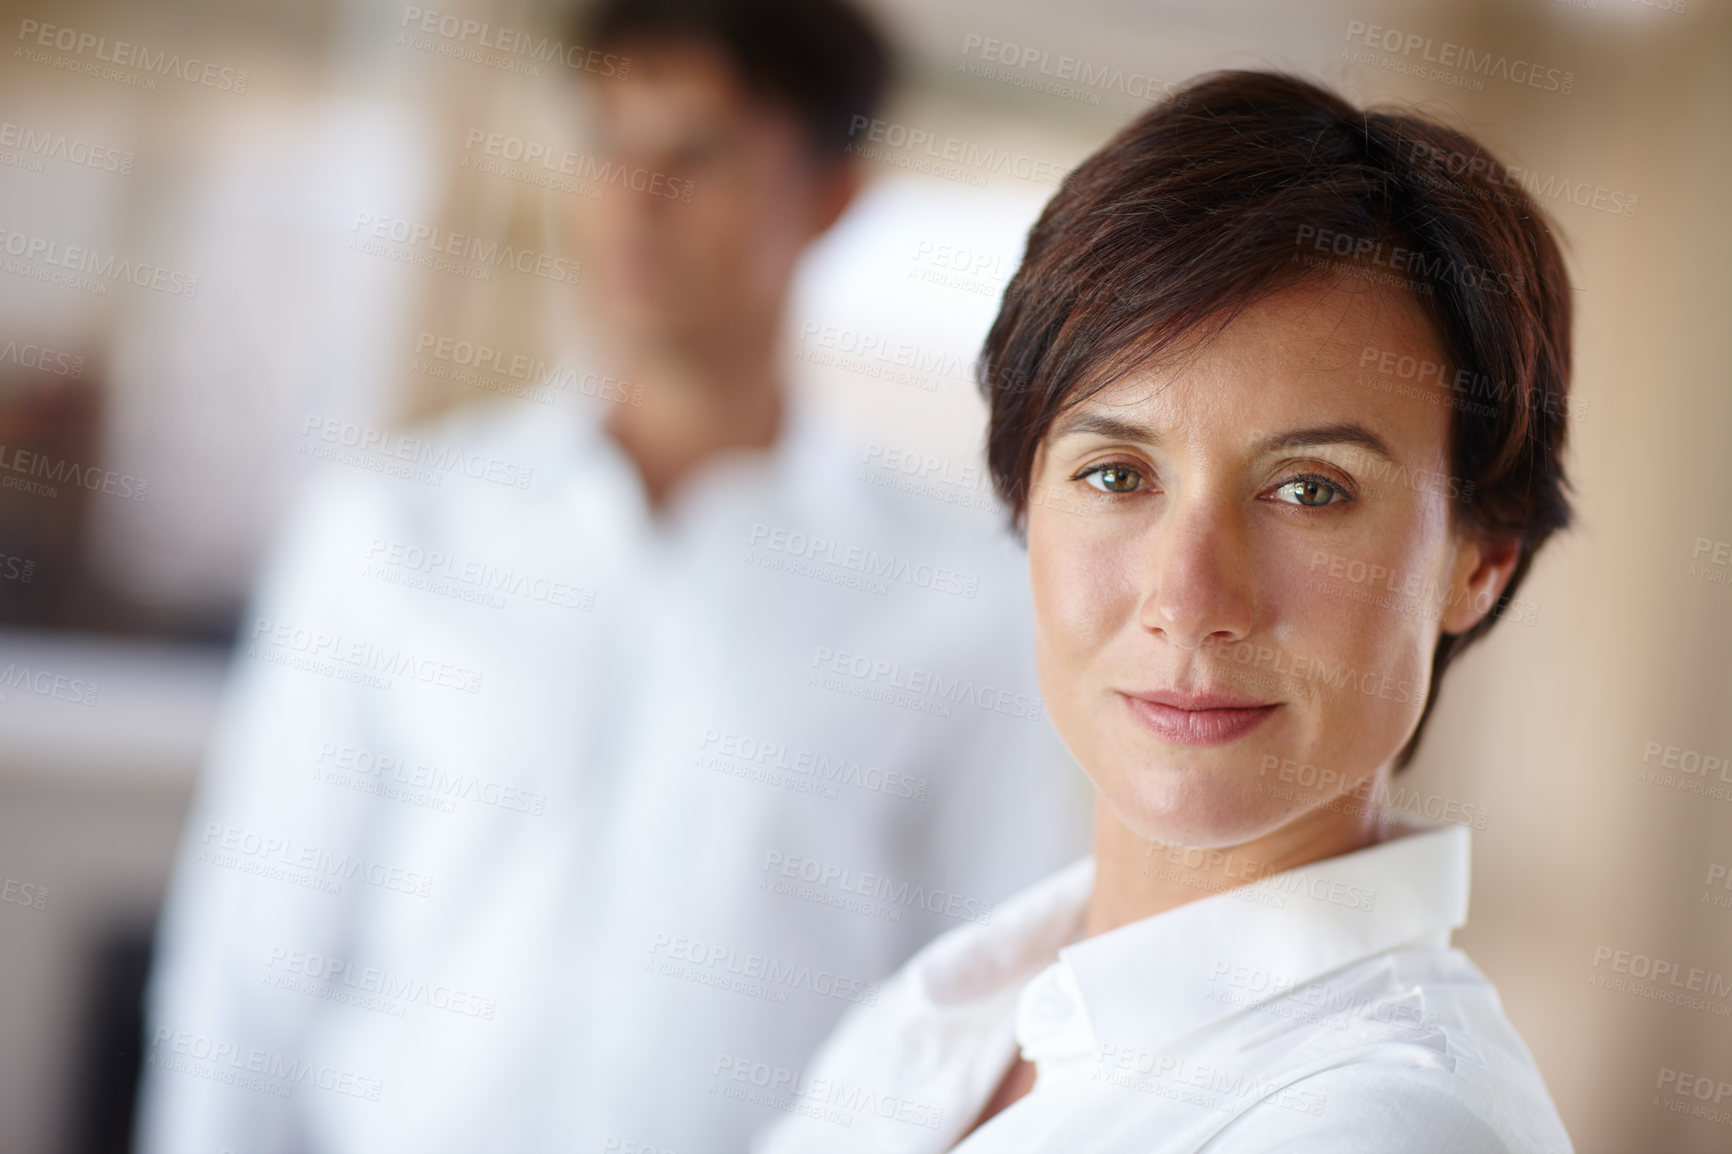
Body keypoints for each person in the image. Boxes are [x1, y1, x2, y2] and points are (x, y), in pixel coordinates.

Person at [134, 1, 1087, 1151]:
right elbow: (248, 960)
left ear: (831, 198)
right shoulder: (389, 532)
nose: (633, 202)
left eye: (695, 156)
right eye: (607, 148)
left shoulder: (957, 594)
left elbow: (990, 1001)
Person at [754, 70, 1577, 1153]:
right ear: (1020, 496)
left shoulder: (1380, 1123)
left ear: (1482, 555)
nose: (1188, 599)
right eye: (1115, 474)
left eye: (1309, 489)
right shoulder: (948, 1014)